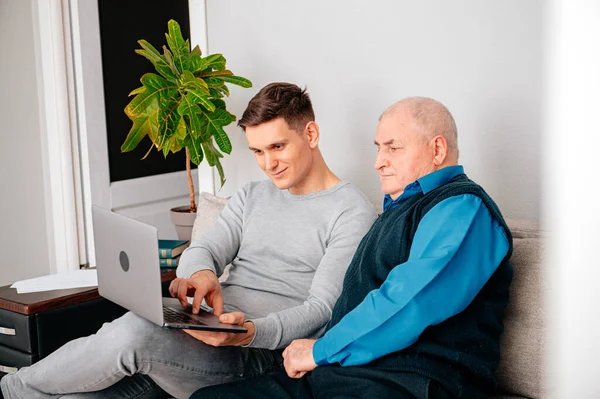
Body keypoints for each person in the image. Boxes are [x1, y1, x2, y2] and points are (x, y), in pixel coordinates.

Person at [0, 82, 377, 399]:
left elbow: (323, 309)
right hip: (202, 330)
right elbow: (204, 249)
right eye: (258, 152)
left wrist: (249, 334)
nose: (268, 163)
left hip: (256, 352)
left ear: (310, 134)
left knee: (133, 331)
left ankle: (11, 389)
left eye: (278, 147)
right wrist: (201, 274)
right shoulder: (252, 195)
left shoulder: (349, 210)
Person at [193, 97, 514, 399]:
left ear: (438, 149)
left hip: (415, 379)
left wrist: (319, 350)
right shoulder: (397, 211)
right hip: (345, 372)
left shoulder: (463, 207)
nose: (378, 162)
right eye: (378, 148)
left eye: (393, 148)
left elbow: (411, 301)